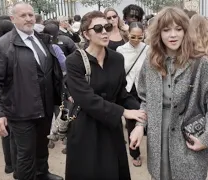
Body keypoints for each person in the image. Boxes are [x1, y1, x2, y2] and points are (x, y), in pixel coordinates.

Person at [129, 7, 208, 180]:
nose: (172, 35)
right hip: (158, 137)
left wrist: (206, 137)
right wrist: (139, 126)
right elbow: (145, 99)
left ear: (186, 31)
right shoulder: (151, 61)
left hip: (187, 139)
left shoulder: (199, 62)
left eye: (178, 29)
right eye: (166, 30)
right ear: (158, 32)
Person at [64, 10, 147, 179]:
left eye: (107, 27)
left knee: (113, 171)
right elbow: (86, 99)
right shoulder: (74, 61)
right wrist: (123, 112)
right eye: (99, 28)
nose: (104, 32)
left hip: (111, 129)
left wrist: (141, 111)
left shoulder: (117, 58)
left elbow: (122, 94)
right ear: (86, 34)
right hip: (85, 127)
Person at [0, 2, 64, 180]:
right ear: (13, 19)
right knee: (25, 154)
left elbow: (50, 72)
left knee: (41, 146)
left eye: (31, 15)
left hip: (45, 107)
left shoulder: (43, 39)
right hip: (20, 110)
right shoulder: (2, 46)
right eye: (23, 15)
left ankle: (42, 173)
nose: (28, 19)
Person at [116, 22, 148, 167]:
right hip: (128, 90)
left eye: (139, 37)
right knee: (131, 122)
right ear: (128, 34)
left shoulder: (148, 49)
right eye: (132, 36)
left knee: (148, 120)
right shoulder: (121, 49)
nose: (135, 40)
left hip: (145, 90)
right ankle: (134, 153)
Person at [0, 20, 18, 177]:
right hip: (7, 96)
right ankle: (14, 165)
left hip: (0, 96)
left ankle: (9, 165)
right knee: (12, 133)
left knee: (5, 134)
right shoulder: (4, 47)